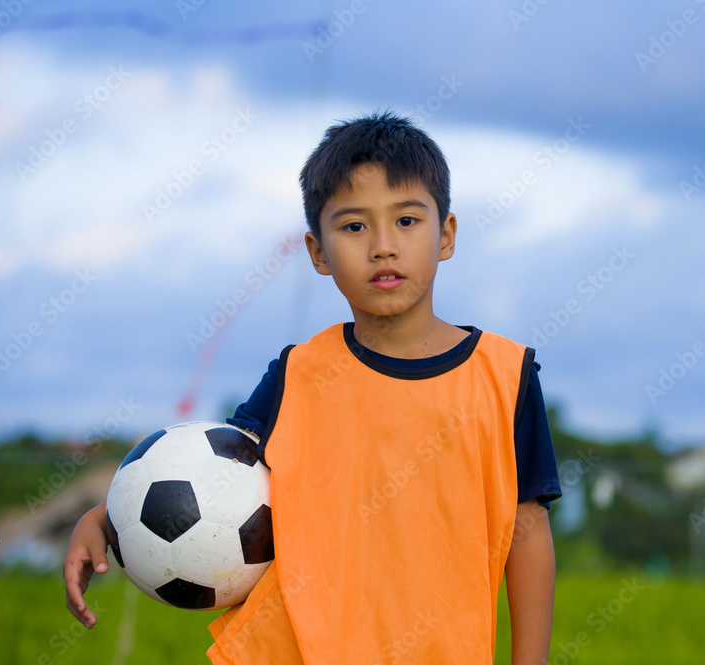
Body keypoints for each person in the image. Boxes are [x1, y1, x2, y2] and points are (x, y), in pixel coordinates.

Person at [63, 110, 562, 664]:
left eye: (406, 221)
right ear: (318, 252)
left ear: (445, 235)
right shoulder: (298, 374)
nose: (382, 246)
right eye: (354, 226)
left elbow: (528, 529)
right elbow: (213, 477)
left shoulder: (507, 375)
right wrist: (102, 521)